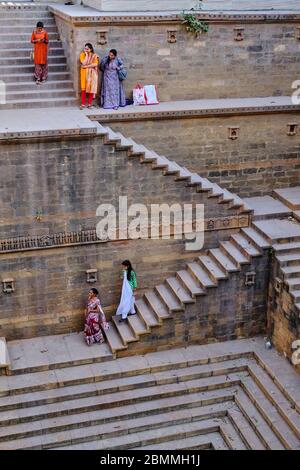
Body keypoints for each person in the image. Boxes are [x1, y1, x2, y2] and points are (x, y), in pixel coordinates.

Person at [79, 43, 99, 109]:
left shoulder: (94, 56)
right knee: (83, 89)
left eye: (87, 49)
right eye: (85, 48)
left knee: (91, 89)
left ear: (90, 49)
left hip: (92, 75)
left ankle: (90, 104)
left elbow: (95, 64)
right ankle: (83, 104)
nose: (86, 50)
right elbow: (83, 63)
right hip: (84, 74)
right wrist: (87, 55)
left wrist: (86, 66)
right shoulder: (82, 55)